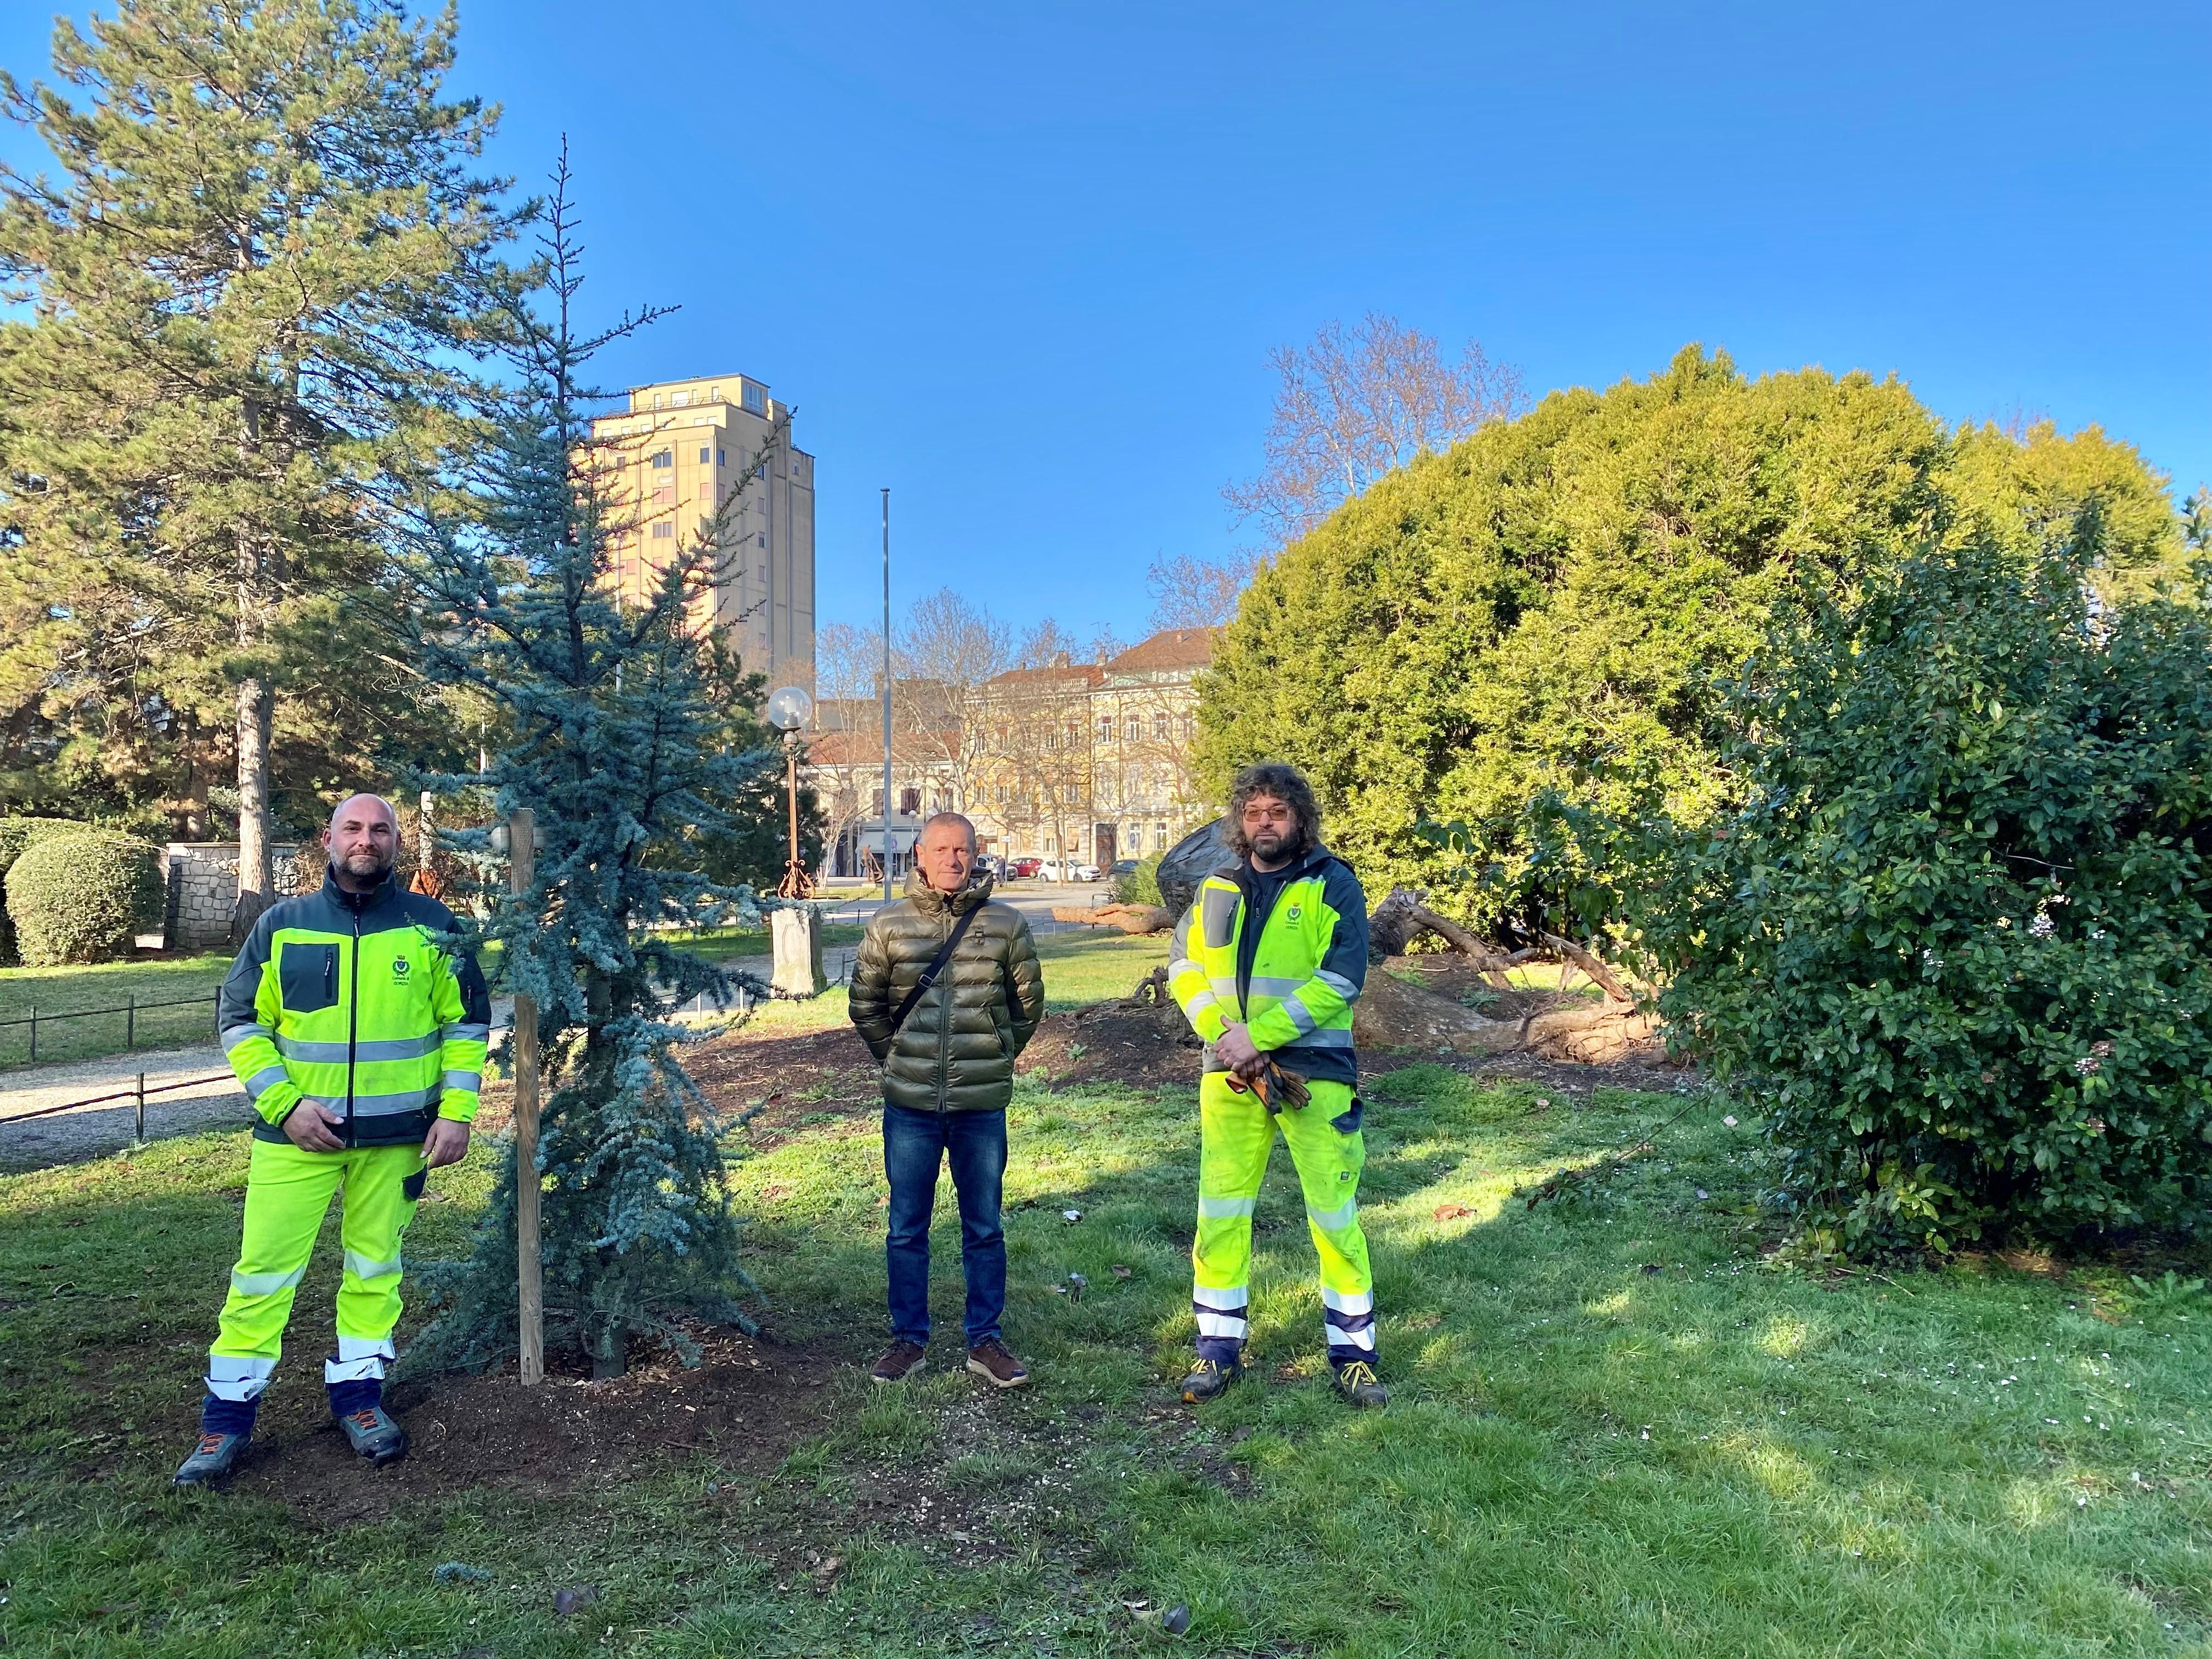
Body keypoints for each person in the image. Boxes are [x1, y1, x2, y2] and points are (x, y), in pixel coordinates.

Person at [173, 794, 492, 1486]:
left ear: (397, 843)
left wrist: (457, 1113)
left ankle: (360, 1402)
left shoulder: (434, 926)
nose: (366, 839)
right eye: (354, 827)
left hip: (399, 1141)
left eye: (380, 829)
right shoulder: (281, 927)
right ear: (328, 838)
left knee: (375, 1271)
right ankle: (224, 1421)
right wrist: (286, 1108)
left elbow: (465, 1029)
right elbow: (239, 1022)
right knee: (260, 1278)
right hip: (295, 1141)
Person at [1166, 762, 1385, 1408]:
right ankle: (1217, 1347)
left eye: (1278, 812)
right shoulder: (1217, 886)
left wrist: (1257, 1038)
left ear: (1299, 819)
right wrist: (1223, 1036)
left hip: (1314, 1078)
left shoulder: (1334, 885)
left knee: (1333, 1215)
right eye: (1254, 811)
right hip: (1228, 1075)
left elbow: (1341, 979)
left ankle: (1354, 1355)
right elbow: (1184, 967)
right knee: (1222, 1211)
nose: (1265, 822)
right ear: (1240, 821)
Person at [848, 811, 1046, 1390]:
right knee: (906, 1226)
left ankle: (985, 1340)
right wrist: (898, 1058)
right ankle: (909, 1340)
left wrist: (996, 1052)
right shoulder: (888, 925)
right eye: (941, 850)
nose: (952, 861)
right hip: (909, 1107)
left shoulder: (1005, 925)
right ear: (920, 856)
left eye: (962, 850)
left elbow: (1027, 1008)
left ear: (976, 854)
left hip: (979, 1106)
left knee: (983, 1225)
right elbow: (866, 1007)